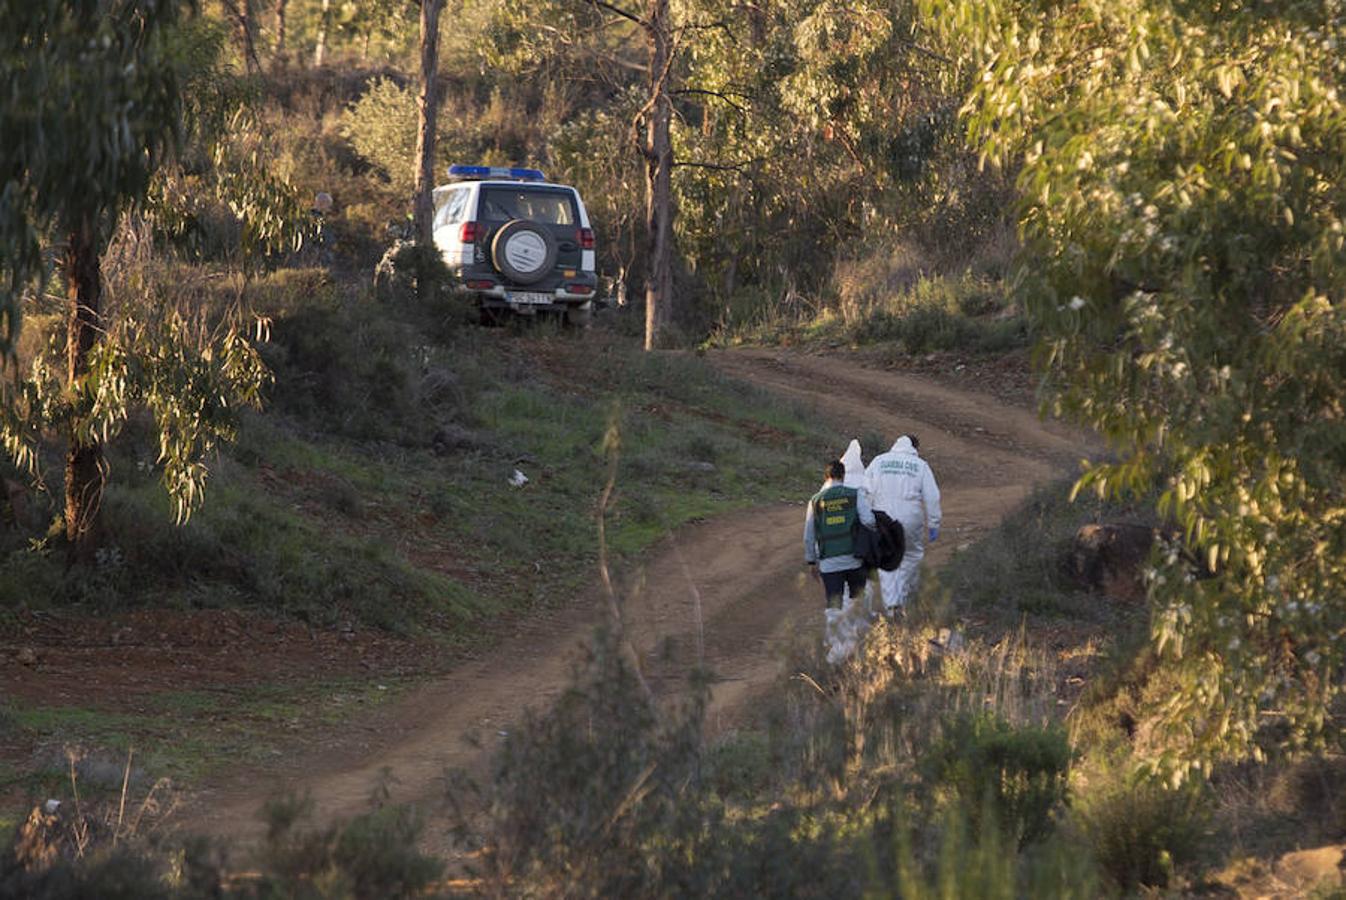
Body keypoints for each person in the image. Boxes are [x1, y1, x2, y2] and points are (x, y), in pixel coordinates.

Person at [865, 434, 942, 614]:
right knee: (912, 555)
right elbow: (932, 496)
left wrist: (865, 517)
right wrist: (933, 523)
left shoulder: (879, 461)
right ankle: (907, 598)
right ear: (915, 448)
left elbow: (866, 489)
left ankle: (892, 606)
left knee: (887, 559)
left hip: (883, 517)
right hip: (910, 516)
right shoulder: (920, 465)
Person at [804, 459, 876, 608]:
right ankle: (858, 630)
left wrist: (811, 561)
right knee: (857, 602)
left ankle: (836, 630)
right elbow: (869, 521)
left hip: (828, 562)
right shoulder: (855, 494)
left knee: (834, 605)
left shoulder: (815, 501)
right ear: (843, 476)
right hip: (853, 559)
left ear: (825, 477)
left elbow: (808, 536)